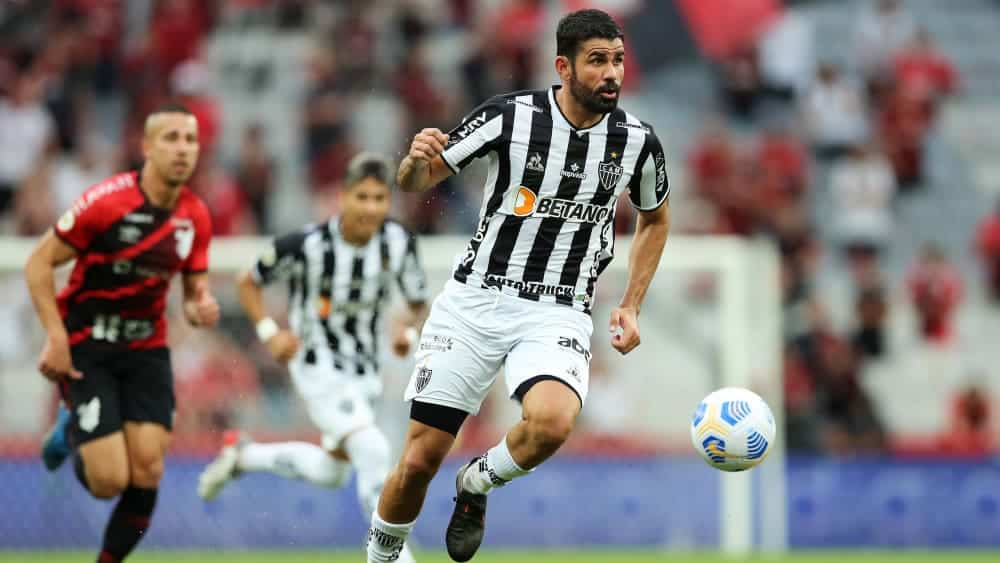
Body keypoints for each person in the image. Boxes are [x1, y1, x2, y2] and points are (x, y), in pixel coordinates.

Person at [365, 9, 670, 563]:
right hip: (476, 301)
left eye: (618, 60)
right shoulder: (510, 117)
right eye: (597, 61)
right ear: (563, 67)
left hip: (558, 308)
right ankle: (380, 557)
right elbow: (418, 179)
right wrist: (412, 162)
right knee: (418, 462)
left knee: (552, 422)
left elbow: (655, 218)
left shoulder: (638, 143)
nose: (611, 73)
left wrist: (631, 303)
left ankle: (476, 482)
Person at [197, 152, 428, 563]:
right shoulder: (307, 245)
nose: (370, 207)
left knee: (332, 471)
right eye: (362, 197)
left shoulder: (398, 243)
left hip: (365, 371)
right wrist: (269, 332)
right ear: (343, 198)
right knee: (373, 448)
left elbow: (416, 302)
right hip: (317, 366)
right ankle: (393, 555)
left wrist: (405, 330)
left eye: (379, 198)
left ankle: (244, 456)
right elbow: (248, 281)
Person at [26, 103, 218, 563]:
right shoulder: (106, 203)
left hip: (146, 349)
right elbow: (38, 264)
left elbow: (194, 290)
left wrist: (200, 306)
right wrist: (56, 337)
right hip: (88, 346)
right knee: (109, 481)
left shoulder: (195, 216)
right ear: (146, 147)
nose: (183, 149)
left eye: (190, 140)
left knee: (148, 469)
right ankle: (72, 430)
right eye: (171, 138)